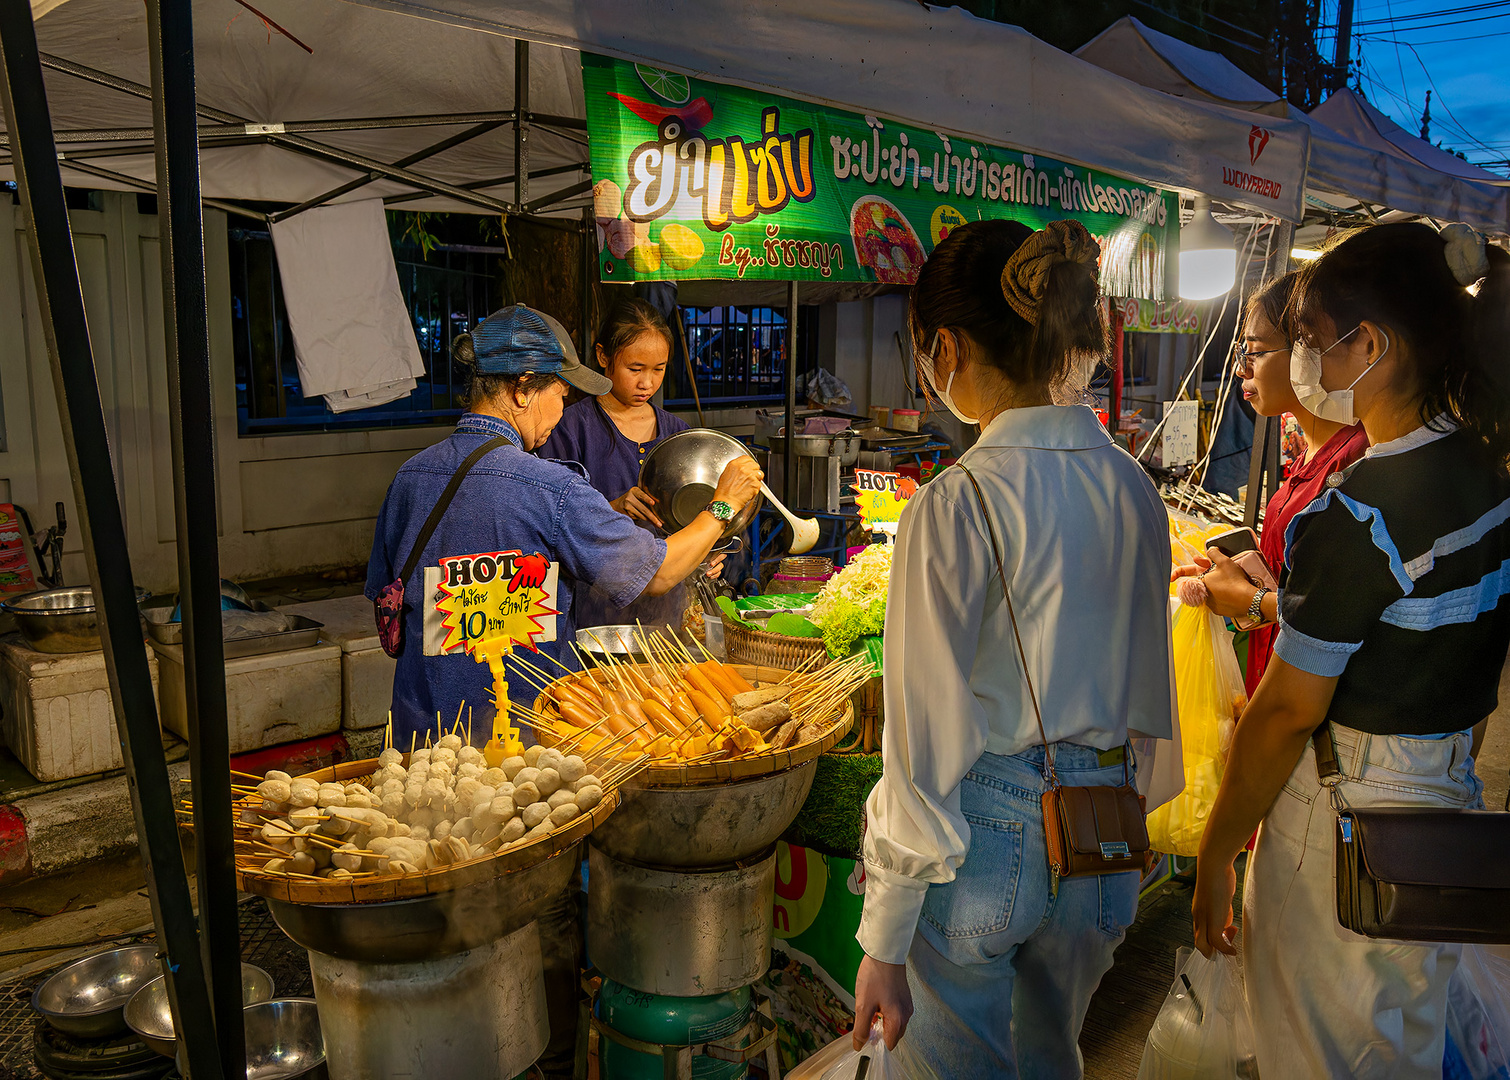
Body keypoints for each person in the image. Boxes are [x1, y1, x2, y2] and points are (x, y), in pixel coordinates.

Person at [852, 219, 1175, 1075]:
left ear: (946, 348)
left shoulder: (955, 503)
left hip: (991, 835)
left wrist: (884, 936)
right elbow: (1157, 693)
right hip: (1106, 836)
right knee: (1052, 1059)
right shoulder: (1135, 489)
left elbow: (919, 745)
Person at [1192, 223, 1510, 1079]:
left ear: (1371, 344)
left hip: (1346, 812)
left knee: (1322, 1050)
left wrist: (1219, 853)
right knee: (1395, 1040)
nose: (1310, 367)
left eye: (1314, 343)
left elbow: (1289, 711)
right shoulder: (1487, 470)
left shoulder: (1362, 512)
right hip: (1443, 797)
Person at [366, 303, 760, 750]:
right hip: (519, 742)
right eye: (559, 391)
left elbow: (385, 597)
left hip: (419, 739)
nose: (563, 407)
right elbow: (661, 573)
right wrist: (724, 504)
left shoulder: (409, 477)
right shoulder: (550, 489)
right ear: (522, 390)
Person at [1174, 272, 1369, 694]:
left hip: (1307, 700)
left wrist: (1249, 601)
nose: (1242, 368)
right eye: (1242, 350)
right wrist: (1232, 580)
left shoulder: (1355, 460)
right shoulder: (1307, 456)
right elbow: (1292, 582)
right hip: (1273, 681)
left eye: (1256, 351)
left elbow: (1337, 616)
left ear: (1309, 353)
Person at [536, 298, 703, 634]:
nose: (647, 383)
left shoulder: (679, 435)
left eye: (659, 369)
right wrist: (614, 507)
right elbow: (550, 527)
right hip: (592, 614)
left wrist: (707, 553)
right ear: (603, 357)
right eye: (635, 368)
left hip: (666, 611)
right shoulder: (570, 429)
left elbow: (697, 518)